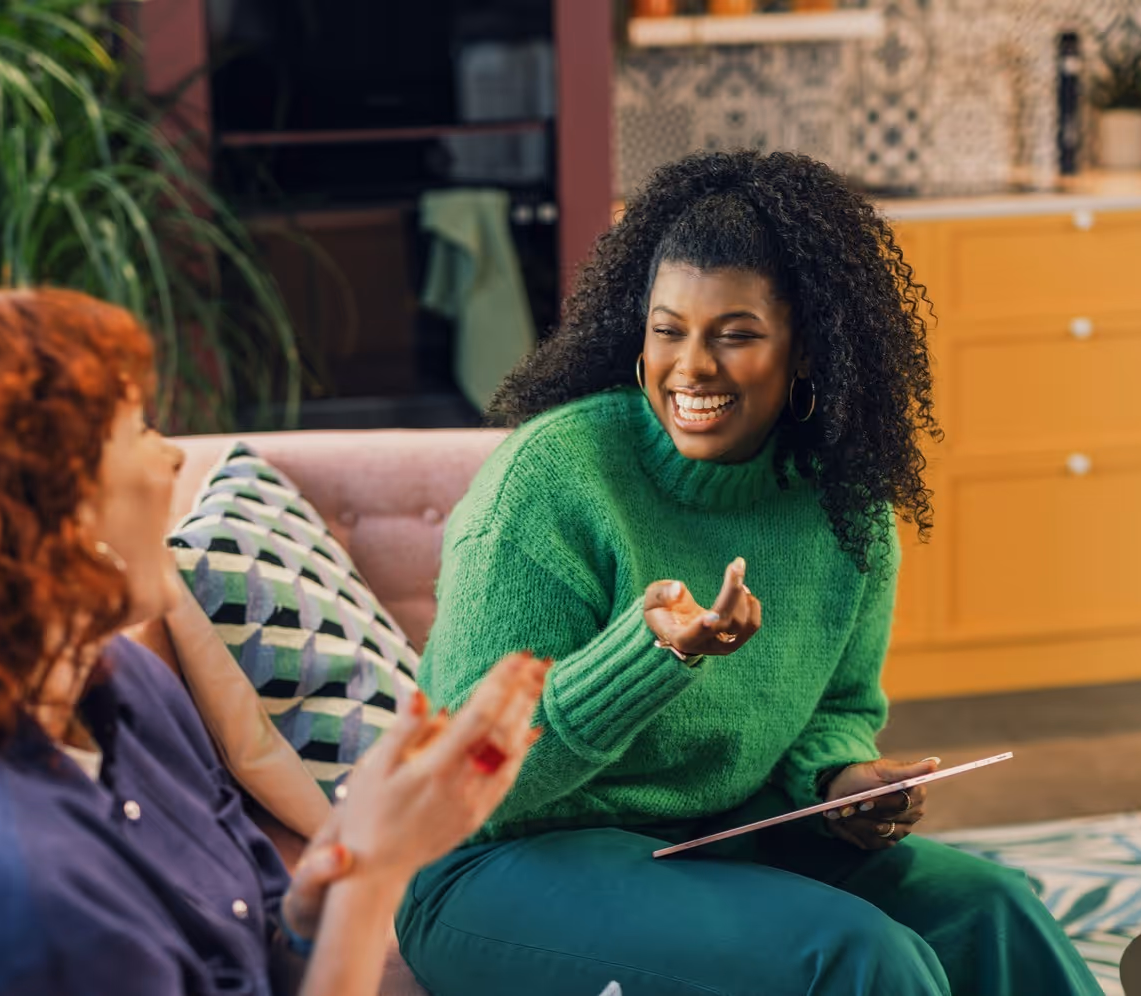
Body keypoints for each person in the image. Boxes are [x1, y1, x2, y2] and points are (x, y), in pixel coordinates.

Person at [398, 150, 1102, 996]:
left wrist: (846, 782)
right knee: (856, 957)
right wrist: (653, 657)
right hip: (490, 868)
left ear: (804, 350)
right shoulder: (549, 482)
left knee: (992, 908)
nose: (692, 367)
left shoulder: (844, 505)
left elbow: (836, 709)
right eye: (668, 330)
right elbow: (472, 779)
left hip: (712, 839)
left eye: (735, 336)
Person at [0, 288, 548, 996]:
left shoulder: (122, 686)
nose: (174, 456)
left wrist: (325, 892)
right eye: (138, 429)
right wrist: (377, 878)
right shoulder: (17, 874)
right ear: (43, 515)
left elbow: (258, 944)